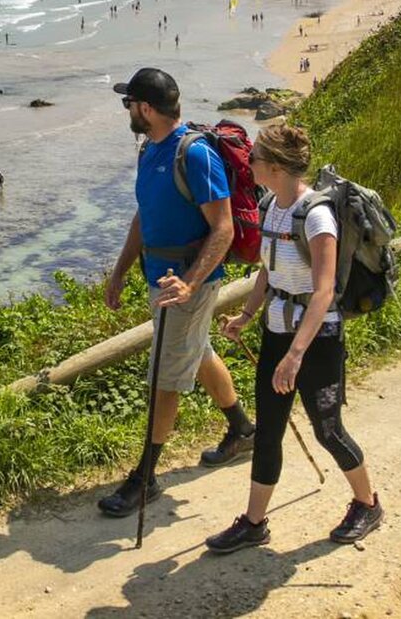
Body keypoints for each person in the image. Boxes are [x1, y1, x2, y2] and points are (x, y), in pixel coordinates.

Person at [204, 123, 382, 553]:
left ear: (276, 167)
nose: (250, 163)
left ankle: (367, 504)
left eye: (256, 158)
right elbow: (269, 268)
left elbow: (323, 291)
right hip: (277, 332)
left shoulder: (317, 216)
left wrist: (295, 355)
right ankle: (253, 522)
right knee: (268, 430)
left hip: (316, 340)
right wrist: (247, 315)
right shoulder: (270, 206)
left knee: (328, 431)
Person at [99, 68, 256, 518]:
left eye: (129, 103)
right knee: (198, 352)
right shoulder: (150, 149)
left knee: (165, 377)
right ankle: (242, 430)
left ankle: (145, 478)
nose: (127, 110)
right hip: (159, 279)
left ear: (146, 109)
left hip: (186, 286)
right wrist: (120, 271)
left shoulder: (196, 155)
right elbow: (144, 215)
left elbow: (223, 229)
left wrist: (190, 283)